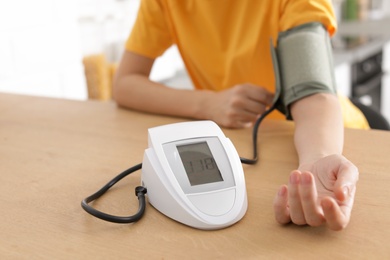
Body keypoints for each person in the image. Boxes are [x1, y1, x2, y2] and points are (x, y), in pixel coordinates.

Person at [113, 0, 361, 231]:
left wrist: (318, 158)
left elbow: (312, 91)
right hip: (234, 137)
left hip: (328, 134)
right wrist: (208, 103)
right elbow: (124, 83)